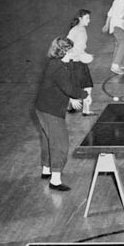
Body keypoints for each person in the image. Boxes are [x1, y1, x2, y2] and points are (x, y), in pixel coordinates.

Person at [35, 37, 88, 191]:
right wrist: (84, 95)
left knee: (48, 139)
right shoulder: (58, 69)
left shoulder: (59, 63)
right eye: (71, 50)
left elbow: (69, 80)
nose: (74, 52)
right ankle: (55, 180)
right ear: (65, 51)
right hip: (51, 110)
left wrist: (72, 97)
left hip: (42, 107)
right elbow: (70, 88)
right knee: (60, 143)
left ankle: (46, 169)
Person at [66, 9, 96, 116]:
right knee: (86, 85)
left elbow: (80, 46)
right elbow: (67, 46)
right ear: (80, 18)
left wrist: (84, 54)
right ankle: (79, 108)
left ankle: (75, 107)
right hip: (75, 63)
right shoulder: (75, 30)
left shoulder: (83, 29)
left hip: (80, 62)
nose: (89, 20)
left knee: (85, 85)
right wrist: (79, 55)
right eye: (87, 18)